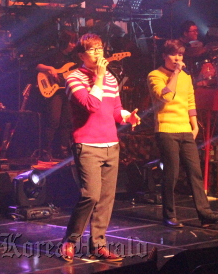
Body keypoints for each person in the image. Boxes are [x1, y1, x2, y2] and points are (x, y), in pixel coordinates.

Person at [59, 34, 141, 262]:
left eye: (100, 48)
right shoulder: (73, 77)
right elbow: (91, 105)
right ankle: (70, 240)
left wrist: (128, 117)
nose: (98, 53)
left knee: (106, 198)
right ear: (81, 55)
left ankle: (98, 245)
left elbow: (116, 109)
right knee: (90, 195)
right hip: (87, 144)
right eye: (92, 50)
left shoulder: (112, 79)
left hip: (111, 144)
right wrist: (100, 76)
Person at [147, 39, 218, 228]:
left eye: (180, 55)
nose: (177, 58)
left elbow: (190, 101)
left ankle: (205, 214)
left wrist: (194, 125)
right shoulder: (155, 75)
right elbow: (166, 96)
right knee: (172, 174)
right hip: (166, 129)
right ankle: (169, 215)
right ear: (164, 56)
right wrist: (175, 73)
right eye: (174, 54)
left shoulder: (186, 77)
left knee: (195, 173)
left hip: (185, 129)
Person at [35, 30, 78, 160]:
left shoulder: (74, 58)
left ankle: (63, 149)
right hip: (55, 92)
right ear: (65, 42)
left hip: (67, 91)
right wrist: (50, 69)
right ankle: (46, 150)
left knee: (66, 121)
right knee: (53, 120)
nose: (73, 45)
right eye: (71, 42)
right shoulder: (53, 53)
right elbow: (37, 65)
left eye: (74, 42)